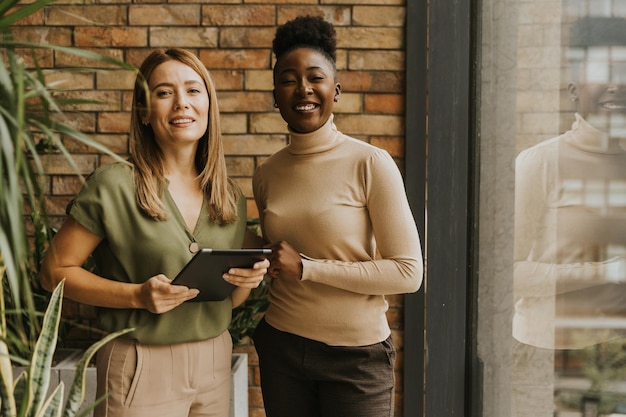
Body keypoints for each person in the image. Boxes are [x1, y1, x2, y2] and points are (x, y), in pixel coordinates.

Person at [40, 48, 269, 417]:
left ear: (209, 105)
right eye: (164, 93)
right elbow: (53, 273)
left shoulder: (229, 196)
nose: (182, 103)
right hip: (140, 362)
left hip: (214, 359)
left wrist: (248, 278)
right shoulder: (112, 185)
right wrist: (137, 296)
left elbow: (227, 301)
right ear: (145, 112)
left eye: (194, 91)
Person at [251, 16, 424, 417]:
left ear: (336, 90)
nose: (303, 89)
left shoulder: (371, 163)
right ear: (275, 96)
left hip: (357, 360)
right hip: (283, 348)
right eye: (288, 79)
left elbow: (407, 273)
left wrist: (309, 268)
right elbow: (275, 254)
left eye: (315, 77)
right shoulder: (266, 173)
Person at [512, 16, 626, 416]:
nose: (615, 83)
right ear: (575, 90)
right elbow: (503, 276)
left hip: (618, 363)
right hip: (547, 359)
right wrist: (604, 272)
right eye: (602, 72)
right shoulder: (540, 163)